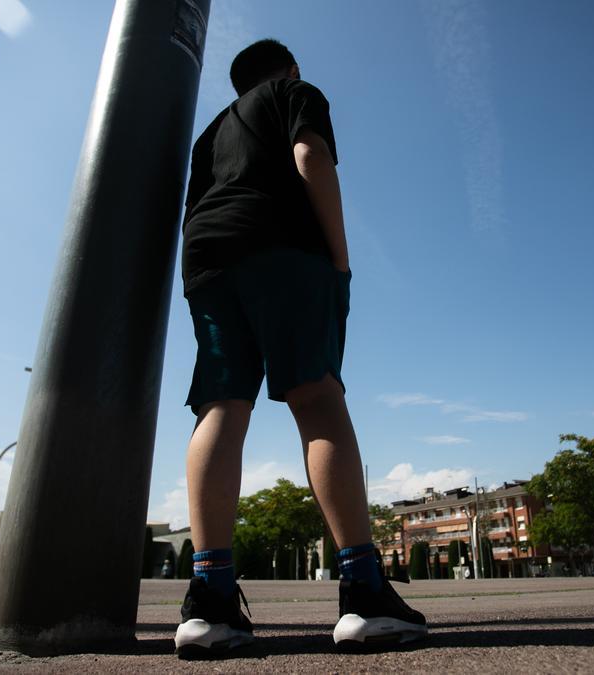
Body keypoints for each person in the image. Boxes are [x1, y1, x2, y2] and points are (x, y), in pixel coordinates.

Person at [172, 38, 427, 659]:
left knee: (222, 406)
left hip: (207, 257)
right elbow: (310, 154)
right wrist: (339, 258)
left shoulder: (211, 133)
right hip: (281, 246)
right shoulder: (295, 92)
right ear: (289, 69)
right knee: (316, 397)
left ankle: (209, 601)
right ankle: (364, 593)